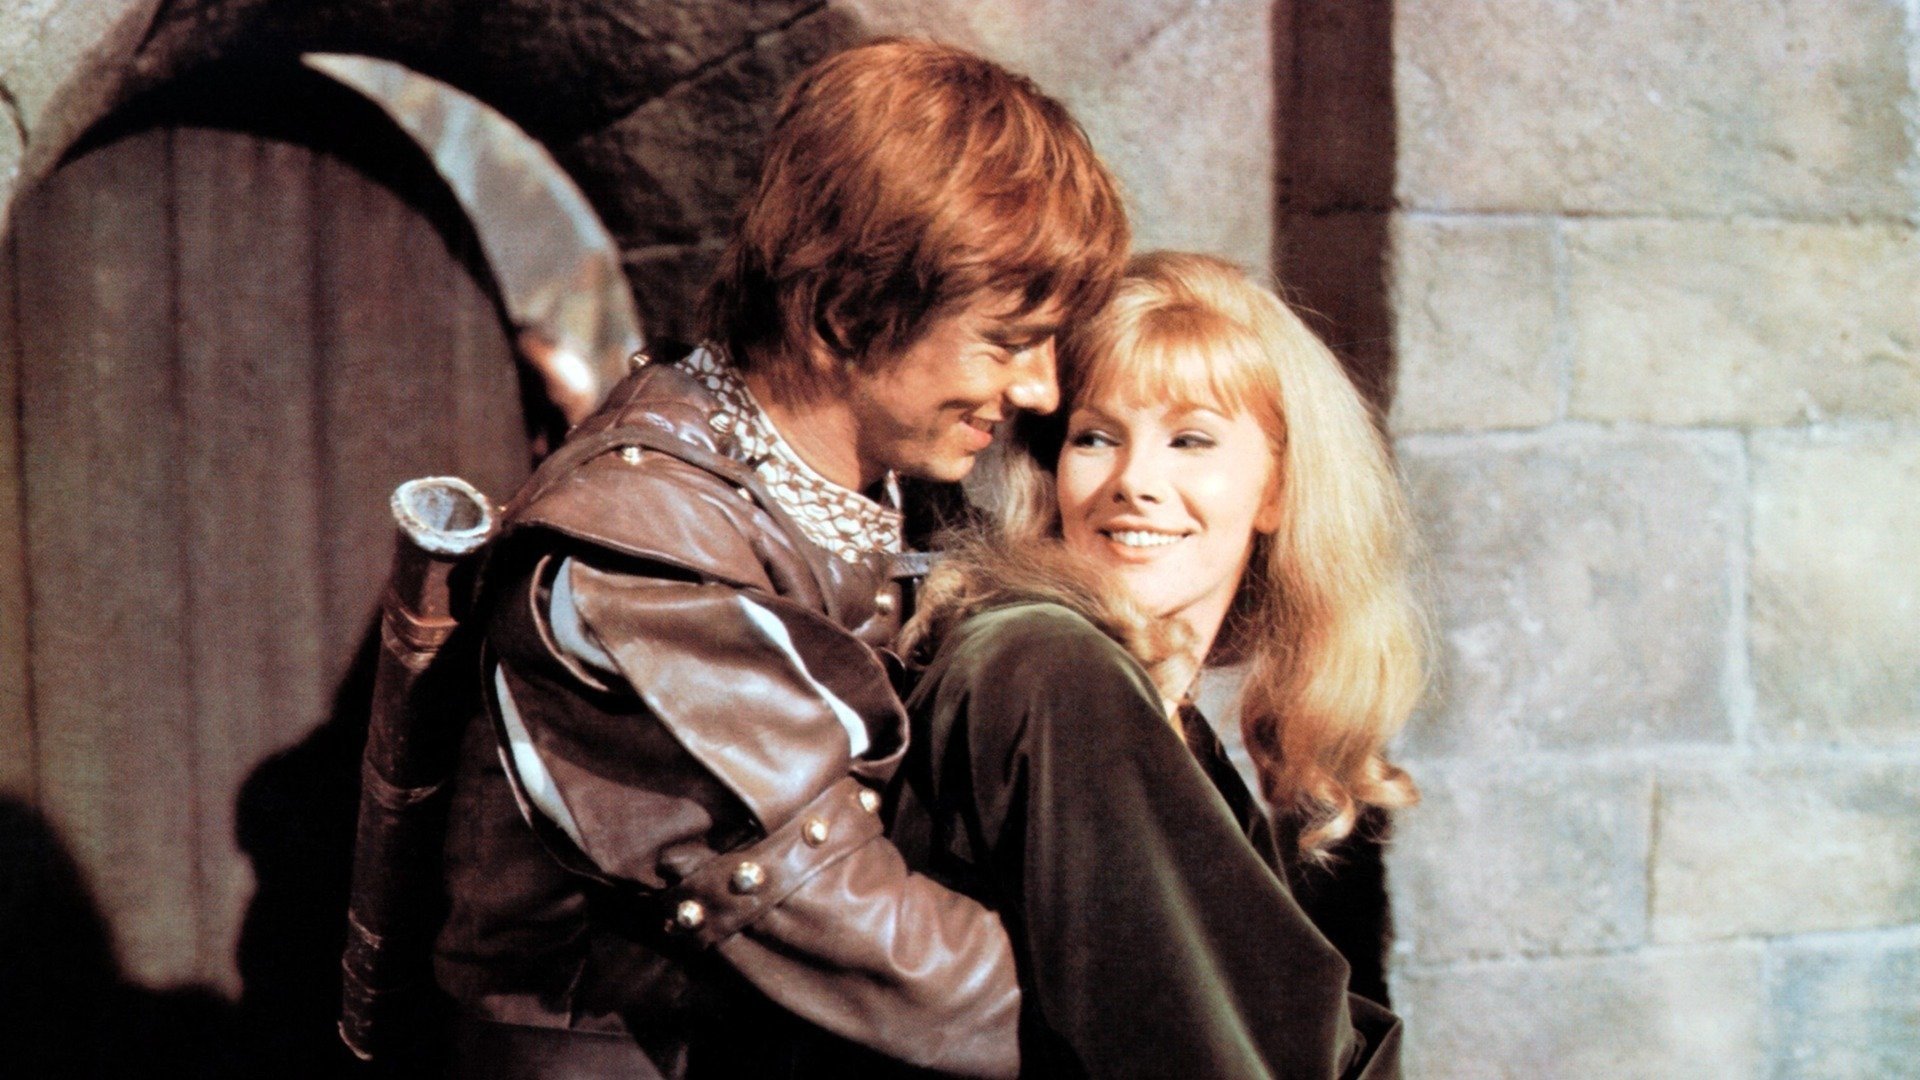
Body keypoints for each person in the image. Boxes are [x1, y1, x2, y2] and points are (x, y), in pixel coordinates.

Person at [430, 38, 1128, 1078]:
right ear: (849, 313)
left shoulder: (897, 484)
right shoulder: (642, 558)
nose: (1040, 389)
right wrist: (1160, 1022)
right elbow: (863, 935)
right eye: (1006, 340)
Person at [888, 251, 1424, 1078]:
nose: (1135, 481)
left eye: (1190, 440)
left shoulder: (1158, 714)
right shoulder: (1050, 666)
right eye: (1096, 438)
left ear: (1277, 490)